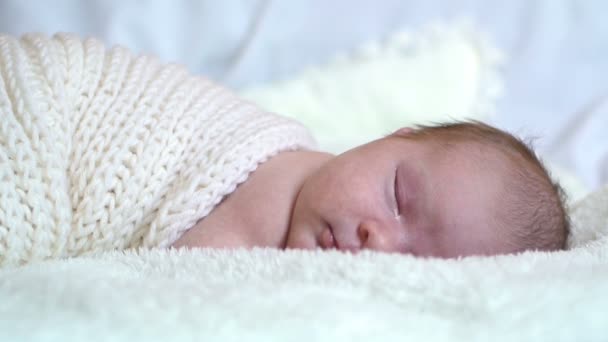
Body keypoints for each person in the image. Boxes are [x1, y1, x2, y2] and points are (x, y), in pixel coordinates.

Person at [0, 33, 568, 266]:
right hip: (55, 103)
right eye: (397, 196)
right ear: (393, 136)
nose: (379, 239)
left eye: (414, 260)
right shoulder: (275, 173)